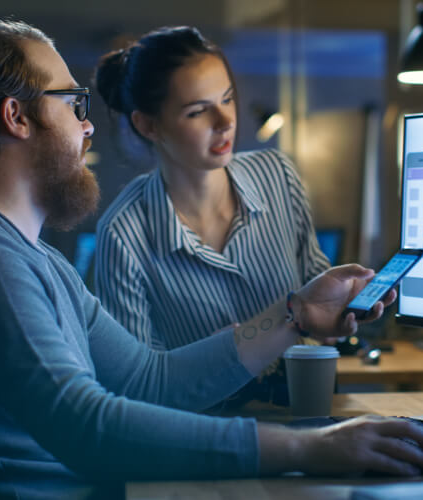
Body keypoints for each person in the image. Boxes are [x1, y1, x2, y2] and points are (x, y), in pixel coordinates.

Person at [0, 14, 423, 499]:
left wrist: (297, 313)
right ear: (16, 117)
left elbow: (150, 379)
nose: (88, 125)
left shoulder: (23, 253)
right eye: (75, 105)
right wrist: (309, 449)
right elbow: (86, 428)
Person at [92, 26, 328, 404]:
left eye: (228, 99)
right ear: (147, 124)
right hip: (207, 436)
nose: (225, 122)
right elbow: (136, 388)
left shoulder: (278, 175)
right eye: (198, 111)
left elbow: (314, 279)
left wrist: (343, 302)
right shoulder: (124, 235)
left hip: (306, 407)